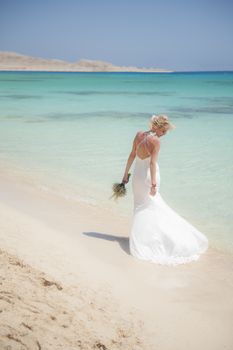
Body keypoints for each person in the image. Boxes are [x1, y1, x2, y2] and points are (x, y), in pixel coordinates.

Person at [121, 114, 208, 266]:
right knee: (153, 206)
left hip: (137, 177)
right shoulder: (155, 141)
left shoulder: (138, 134)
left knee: (140, 207)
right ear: (159, 128)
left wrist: (124, 175)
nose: (165, 134)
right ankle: (156, 240)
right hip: (148, 177)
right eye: (165, 131)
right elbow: (152, 164)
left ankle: (142, 239)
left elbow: (132, 155)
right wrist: (154, 183)